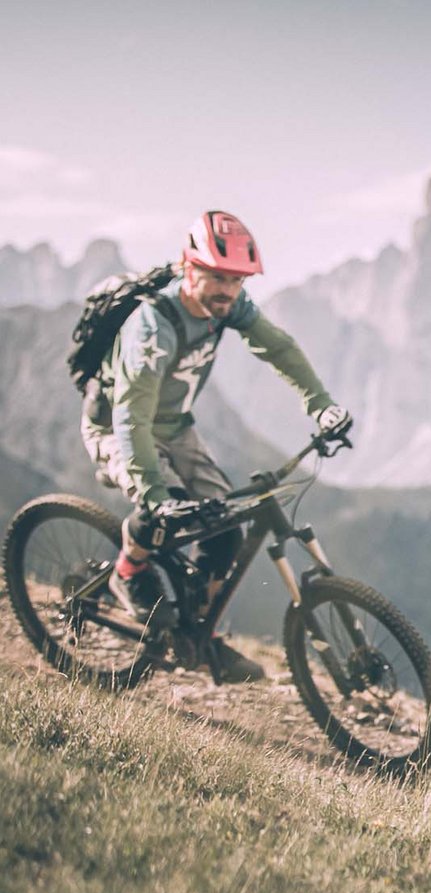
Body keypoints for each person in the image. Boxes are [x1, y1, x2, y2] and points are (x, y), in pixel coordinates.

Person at [80, 209, 350, 681]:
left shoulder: (228, 307)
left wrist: (320, 404)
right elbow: (131, 416)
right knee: (164, 508)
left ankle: (200, 637)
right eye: (218, 276)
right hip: (117, 426)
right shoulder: (153, 328)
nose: (229, 288)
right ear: (190, 267)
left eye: (238, 279)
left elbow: (278, 347)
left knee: (223, 526)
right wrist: (155, 493)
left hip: (175, 427)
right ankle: (127, 572)